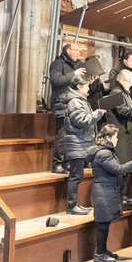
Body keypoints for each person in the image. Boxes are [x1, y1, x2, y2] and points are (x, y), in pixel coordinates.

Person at [88, 125, 132, 262]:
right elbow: (118, 169)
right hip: (104, 192)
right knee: (103, 223)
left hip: (106, 190)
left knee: (105, 222)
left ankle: (103, 250)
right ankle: (100, 254)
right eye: (115, 137)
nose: (117, 140)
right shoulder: (104, 154)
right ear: (108, 138)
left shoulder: (105, 152)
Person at [63, 74, 105, 214]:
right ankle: (71, 206)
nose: (88, 88)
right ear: (79, 86)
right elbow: (81, 121)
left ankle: (74, 205)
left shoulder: (81, 100)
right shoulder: (75, 102)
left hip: (81, 142)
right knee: (75, 176)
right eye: (86, 85)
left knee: (77, 175)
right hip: (77, 143)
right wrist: (97, 114)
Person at [48, 42, 90, 173]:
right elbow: (55, 80)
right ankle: (57, 164)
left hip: (73, 104)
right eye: (76, 50)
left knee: (71, 136)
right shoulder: (58, 63)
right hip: (62, 104)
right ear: (68, 51)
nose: (78, 52)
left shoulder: (75, 65)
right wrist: (74, 73)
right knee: (62, 136)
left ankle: (67, 163)